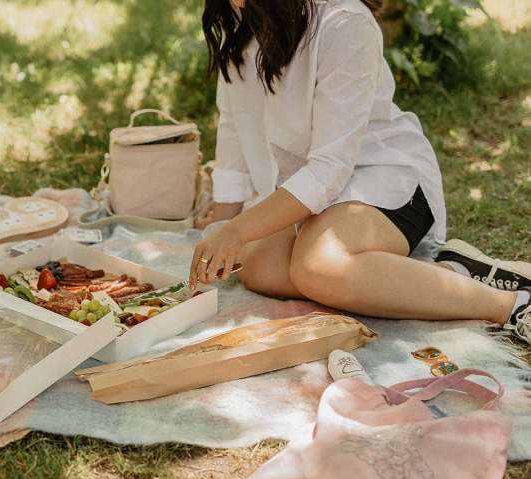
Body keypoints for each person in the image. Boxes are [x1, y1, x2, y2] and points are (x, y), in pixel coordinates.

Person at [190, 0, 530, 342]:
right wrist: (223, 222)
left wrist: (237, 229)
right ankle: (448, 273)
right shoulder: (242, 16)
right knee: (260, 268)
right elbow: (235, 122)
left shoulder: (345, 21)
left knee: (317, 266)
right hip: (312, 191)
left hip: (386, 181)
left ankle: (511, 305)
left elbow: (331, 166)